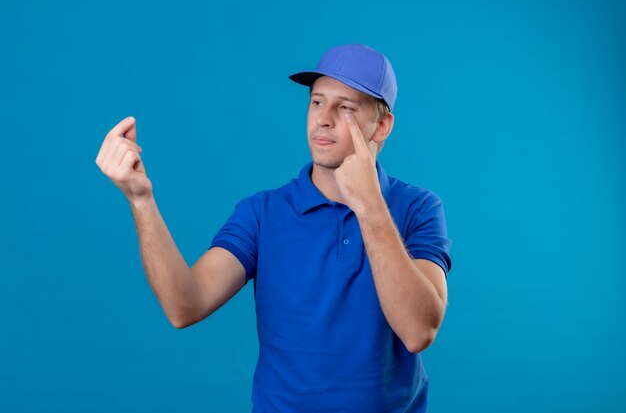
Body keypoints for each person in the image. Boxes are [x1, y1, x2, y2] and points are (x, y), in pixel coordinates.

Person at [95, 44, 452, 413]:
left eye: (345, 107)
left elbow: (418, 331)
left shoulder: (418, 208)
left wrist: (369, 206)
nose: (323, 119)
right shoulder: (262, 213)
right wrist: (141, 201)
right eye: (317, 102)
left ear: (381, 125)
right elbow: (185, 305)